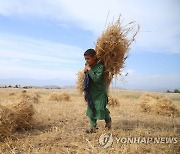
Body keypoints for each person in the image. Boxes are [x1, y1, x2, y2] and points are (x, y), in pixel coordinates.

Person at [83, 48, 112, 133]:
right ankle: (93, 127)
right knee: (91, 109)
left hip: (100, 93)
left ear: (94, 57)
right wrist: (85, 72)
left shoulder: (100, 67)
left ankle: (108, 121)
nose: (86, 60)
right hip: (91, 93)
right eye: (85, 59)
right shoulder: (88, 67)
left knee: (100, 109)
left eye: (88, 58)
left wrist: (89, 70)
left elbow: (96, 79)